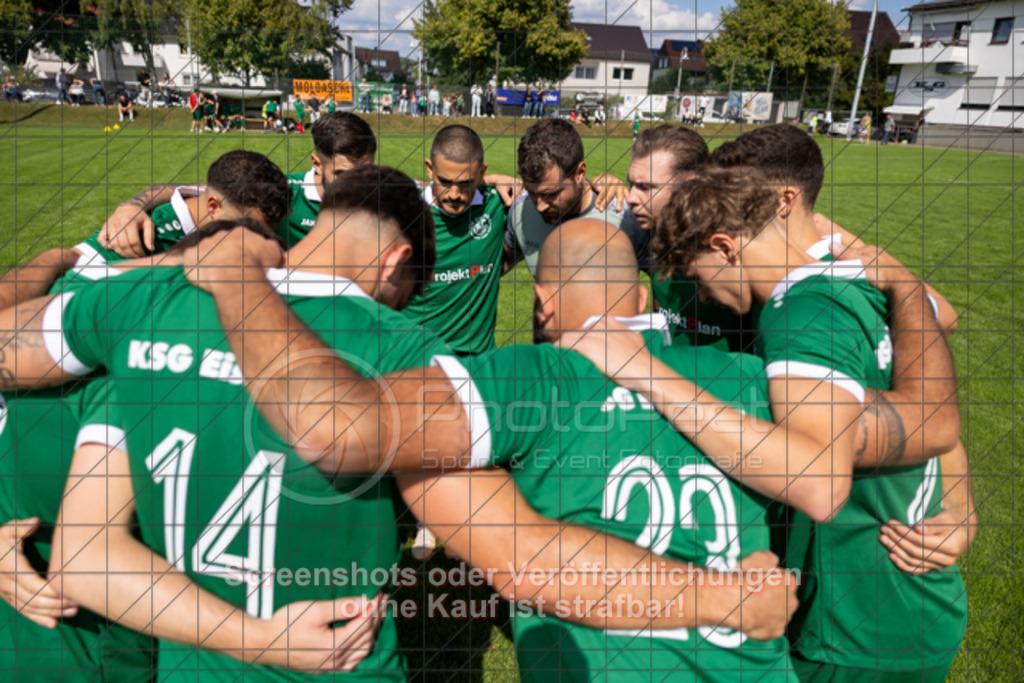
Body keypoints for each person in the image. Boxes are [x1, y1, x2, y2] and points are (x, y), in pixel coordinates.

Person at [182, 218, 802, 680]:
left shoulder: (527, 376)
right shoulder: (750, 379)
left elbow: (337, 424)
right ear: (640, 301)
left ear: (543, 304)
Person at [1, 169, 438, 680]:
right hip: (339, 659)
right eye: (405, 295)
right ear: (395, 263)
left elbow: (85, 558)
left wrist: (129, 268)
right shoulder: (407, 352)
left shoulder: (145, 309)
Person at [652, 163, 968, 681]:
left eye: (697, 275)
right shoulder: (856, 283)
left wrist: (647, 376)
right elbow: (928, 407)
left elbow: (818, 471)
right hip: (914, 603)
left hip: (856, 622)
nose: (702, 295)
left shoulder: (798, 314)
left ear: (726, 246)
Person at [77, 150, 291, 264]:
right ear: (214, 207)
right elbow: (67, 273)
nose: (258, 240)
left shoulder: (225, 199)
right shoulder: (147, 233)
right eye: (248, 229)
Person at [403, 125, 509, 356]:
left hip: (476, 368)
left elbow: (561, 191)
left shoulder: (497, 205)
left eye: (465, 183)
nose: (453, 194)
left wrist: (605, 182)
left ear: (481, 172)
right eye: (445, 181)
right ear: (429, 169)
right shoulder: (402, 213)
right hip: (414, 363)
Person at [503, 118, 648, 277]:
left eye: (551, 194)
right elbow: (497, 265)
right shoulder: (520, 209)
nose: (539, 206)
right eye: (532, 192)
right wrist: (482, 182)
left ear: (580, 173)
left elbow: (669, 286)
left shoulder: (624, 219)